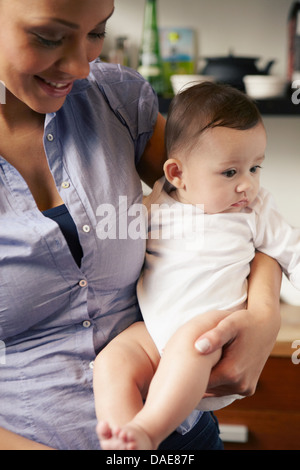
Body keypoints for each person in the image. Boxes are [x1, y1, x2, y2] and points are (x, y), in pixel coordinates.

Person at [0, 0, 282, 450]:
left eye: (97, 32)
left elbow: (235, 207)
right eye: (50, 37)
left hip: (185, 436)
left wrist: (264, 316)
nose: (81, 66)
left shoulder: (115, 99)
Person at [94, 82, 299, 450]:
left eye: (255, 167)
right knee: (113, 360)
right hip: (156, 334)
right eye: (230, 173)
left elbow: (293, 252)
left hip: (217, 332)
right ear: (177, 174)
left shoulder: (256, 210)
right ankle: (122, 438)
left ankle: (150, 430)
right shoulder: (156, 201)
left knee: (193, 342)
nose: (247, 185)